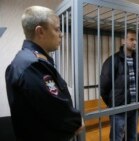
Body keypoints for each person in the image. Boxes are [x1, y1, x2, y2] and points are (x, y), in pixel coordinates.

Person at [5, 6, 84, 141]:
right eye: (57, 29)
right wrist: (76, 121)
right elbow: (56, 110)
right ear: (40, 31)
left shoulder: (27, 60)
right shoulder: (32, 65)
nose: (61, 34)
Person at [100, 30, 139, 141]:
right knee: (117, 138)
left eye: (136, 39)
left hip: (134, 108)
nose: (135, 42)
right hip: (118, 109)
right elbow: (104, 87)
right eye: (131, 39)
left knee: (132, 137)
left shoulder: (137, 60)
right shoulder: (112, 61)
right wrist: (113, 103)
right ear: (123, 40)